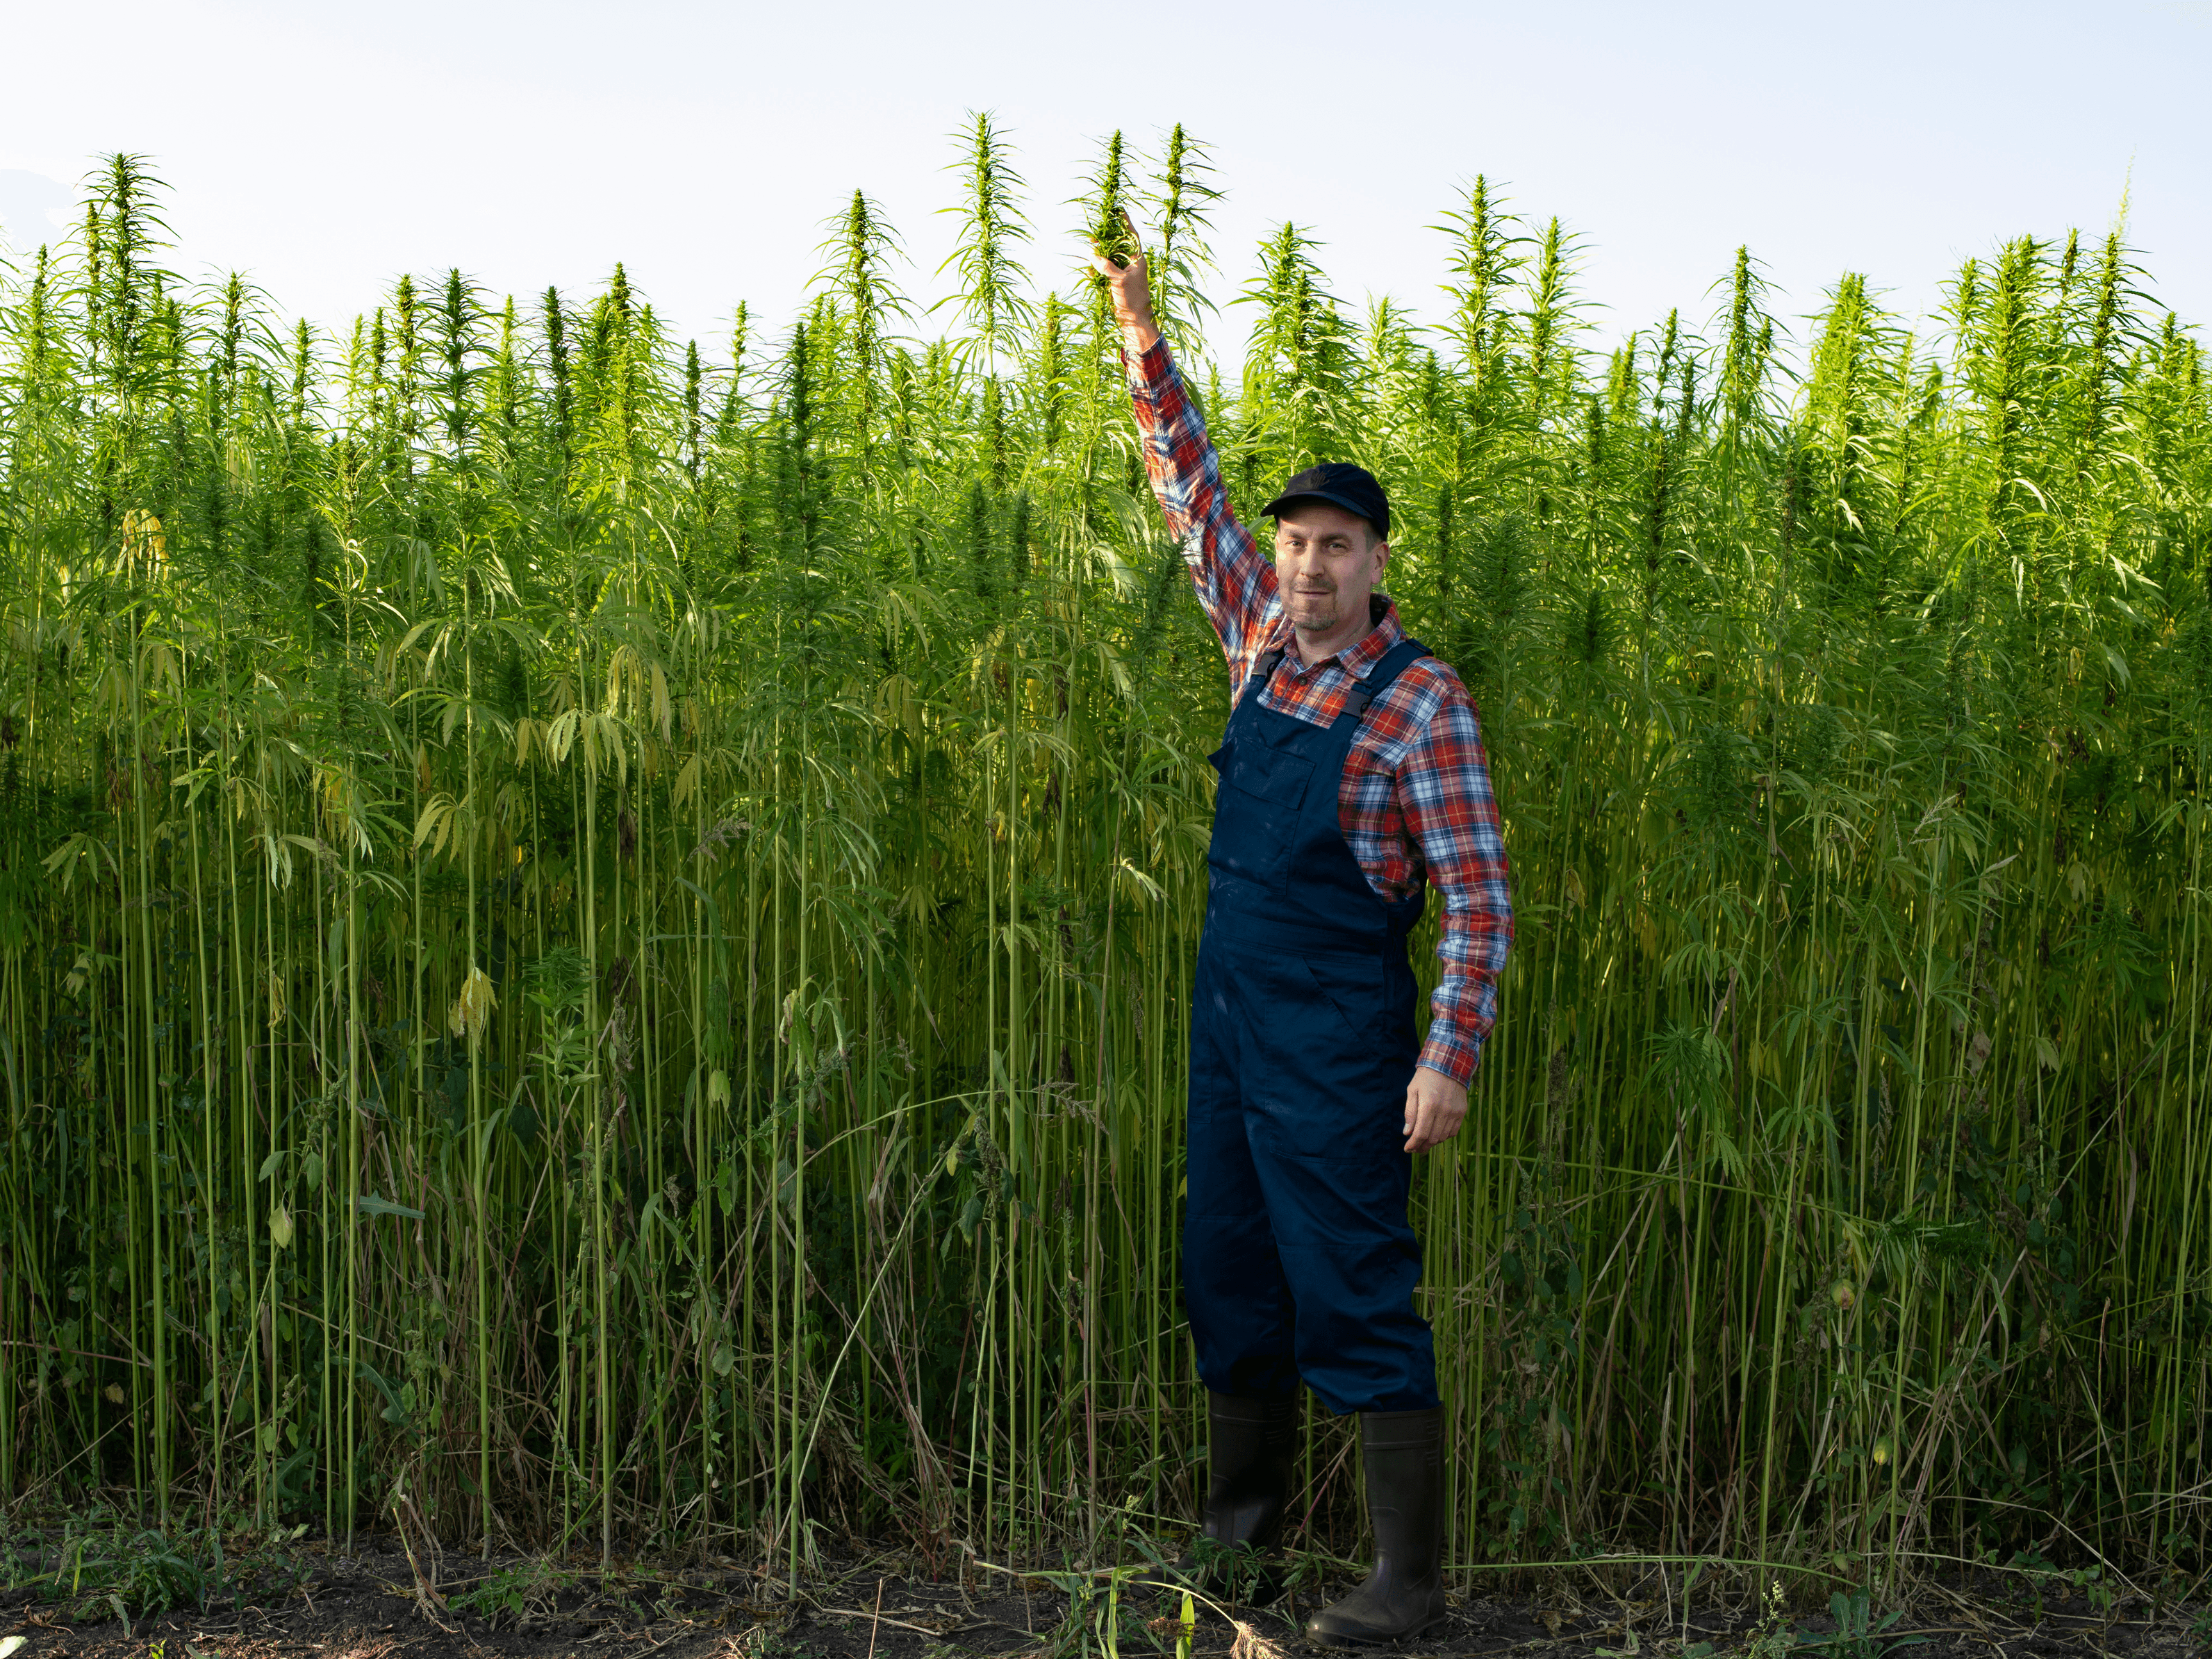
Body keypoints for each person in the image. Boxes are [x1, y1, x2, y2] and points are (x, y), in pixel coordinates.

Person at [1090, 223, 1514, 1646]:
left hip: (1339, 1043)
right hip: (1230, 1030)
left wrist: (1446, 1059)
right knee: (1227, 1268)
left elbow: (1478, 896)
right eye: (1293, 545)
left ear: (1377, 559)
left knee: (1353, 1284)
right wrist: (1140, 332)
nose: (1308, 567)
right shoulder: (1258, 643)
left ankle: (1406, 1584)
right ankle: (1242, 1547)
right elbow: (1186, 486)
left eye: (1334, 546)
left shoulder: (1421, 703)